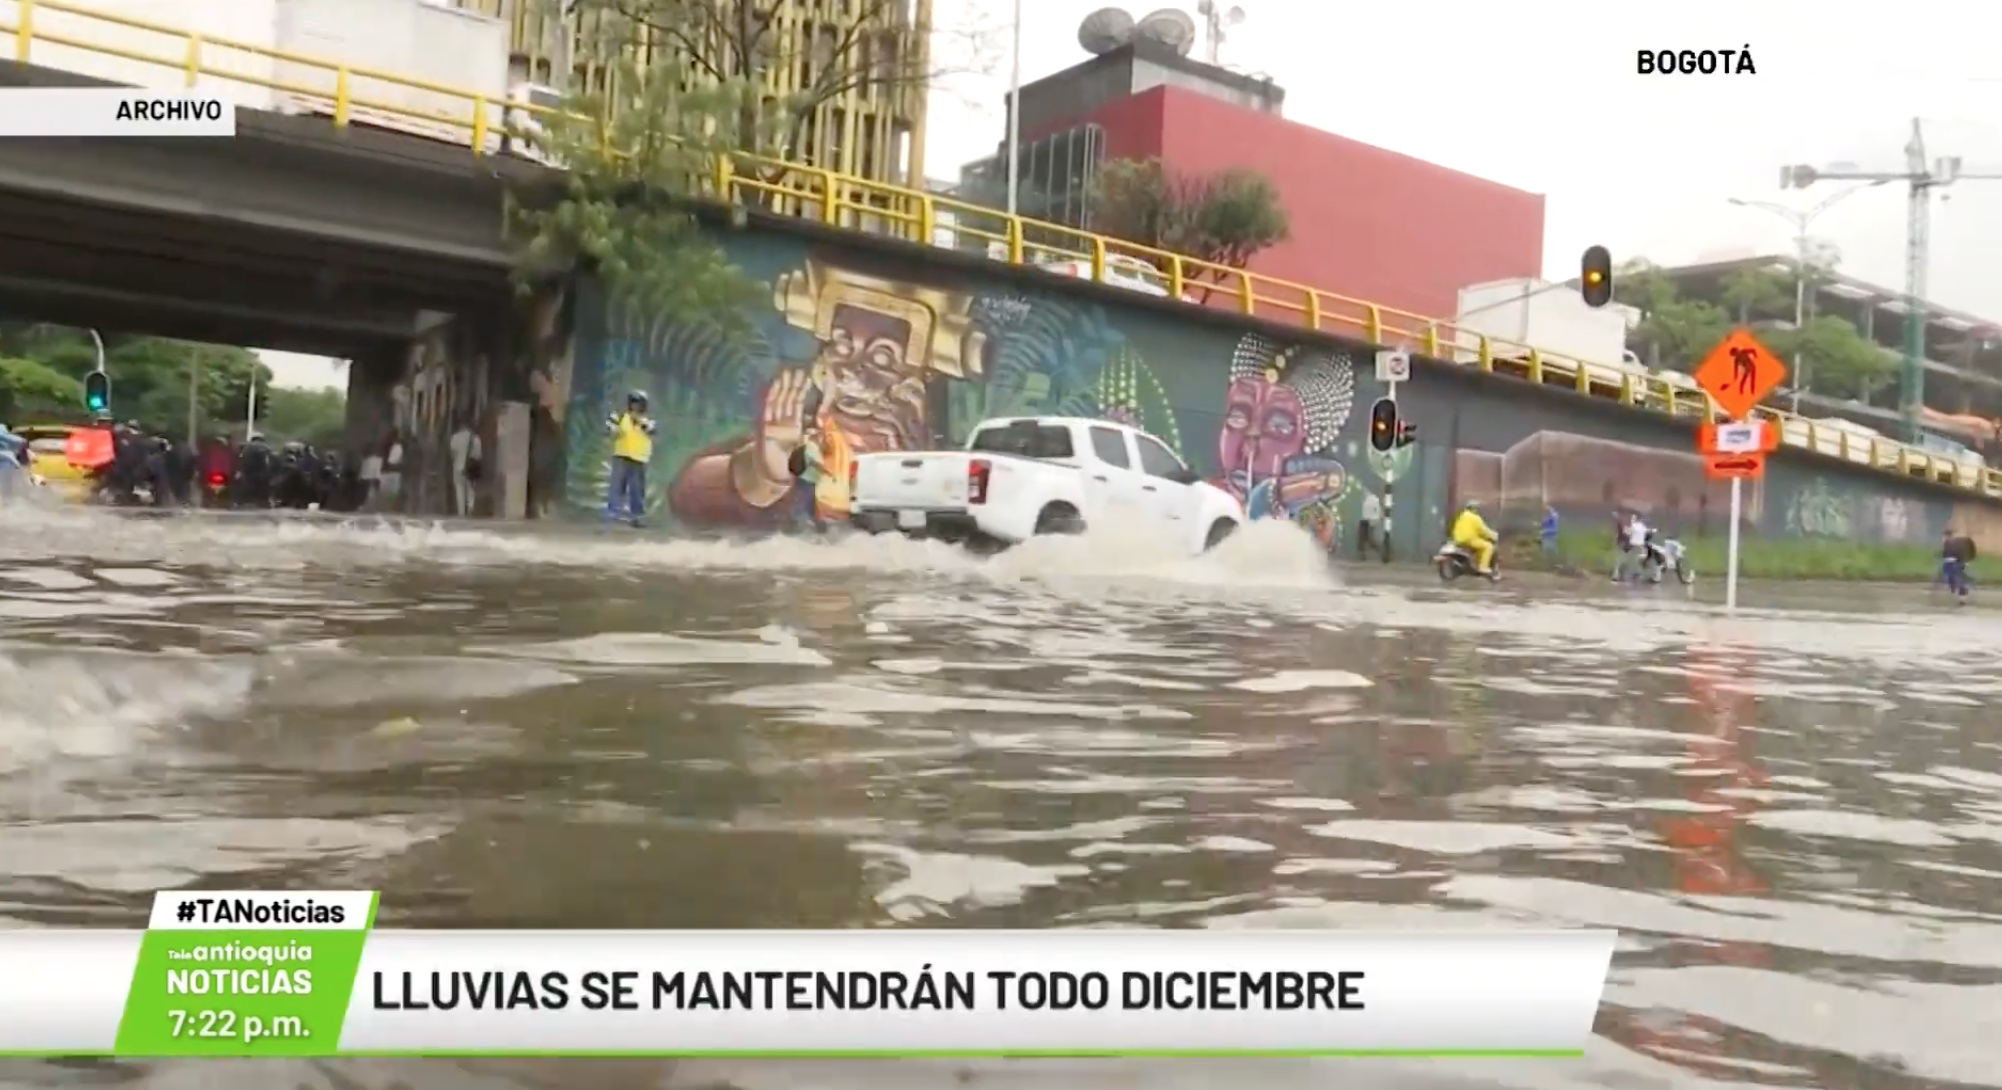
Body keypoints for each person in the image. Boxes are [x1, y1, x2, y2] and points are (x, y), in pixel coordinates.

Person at [603, 390, 656, 526]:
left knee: (637, 490)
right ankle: (613, 514)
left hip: (639, 458)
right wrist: (613, 430)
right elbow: (609, 427)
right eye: (633, 403)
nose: (635, 406)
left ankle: (637, 517)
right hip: (622, 455)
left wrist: (641, 422)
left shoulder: (648, 420)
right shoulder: (620, 417)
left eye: (638, 404)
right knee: (616, 487)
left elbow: (652, 430)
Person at [786, 426, 827, 531]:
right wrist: (826, 471)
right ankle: (793, 523)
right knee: (805, 502)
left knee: (808, 503)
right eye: (817, 435)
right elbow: (815, 462)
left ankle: (818, 524)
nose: (820, 438)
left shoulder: (806, 446)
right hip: (807, 479)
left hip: (805, 478)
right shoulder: (811, 447)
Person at [1448, 500, 1498, 577]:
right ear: (1474, 509)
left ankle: (1472, 565)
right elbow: (1483, 530)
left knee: (1479, 547)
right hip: (1469, 540)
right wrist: (1494, 536)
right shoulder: (1475, 518)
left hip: (1458, 540)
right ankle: (1483, 567)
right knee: (1488, 546)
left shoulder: (1461, 516)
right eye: (1476, 508)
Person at [449, 418, 482, 518]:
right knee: (470, 490)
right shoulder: (475, 439)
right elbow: (478, 455)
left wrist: (456, 461)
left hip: (457, 467)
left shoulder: (454, 438)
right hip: (470, 468)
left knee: (459, 490)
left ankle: (461, 513)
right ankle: (470, 508)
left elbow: (452, 453)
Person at [1940, 526, 1976, 601]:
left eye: (1944, 536)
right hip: (1951, 563)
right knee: (1952, 576)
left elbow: (1959, 553)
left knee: (1957, 577)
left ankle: (1962, 592)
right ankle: (1956, 589)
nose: (1942, 539)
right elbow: (1945, 553)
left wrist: (1964, 562)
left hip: (1954, 563)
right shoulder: (1949, 543)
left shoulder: (1952, 542)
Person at [1616, 512, 1651, 582]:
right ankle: (1637, 574)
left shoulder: (1634, 526)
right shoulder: (1642, 526)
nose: (1632, 520)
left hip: (1633, 545)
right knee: (1636, 560)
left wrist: (1624, 530)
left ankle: (1620, 573)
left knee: (1625, 558)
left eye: (1633, 518)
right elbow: (1647, 533)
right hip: (1640, 546)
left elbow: (1627, 533)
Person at [380, 429, 405, 513]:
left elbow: (391, 462)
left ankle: (391, 510)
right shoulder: (390, 446)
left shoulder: (396, 447)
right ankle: (389, 510)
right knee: (388, 495)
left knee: (390, 495)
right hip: (389, 473)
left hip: (391, 473)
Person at [1357, 489, 1383, 559]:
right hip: (1365, 520)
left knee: (1369, 539)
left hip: (1369, 521)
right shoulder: (1365, 498)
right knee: (1362, 538)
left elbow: (1379, 511)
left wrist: (1376, 520)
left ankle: (1381, 552)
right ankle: (1362, 555)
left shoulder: (1372, 499)